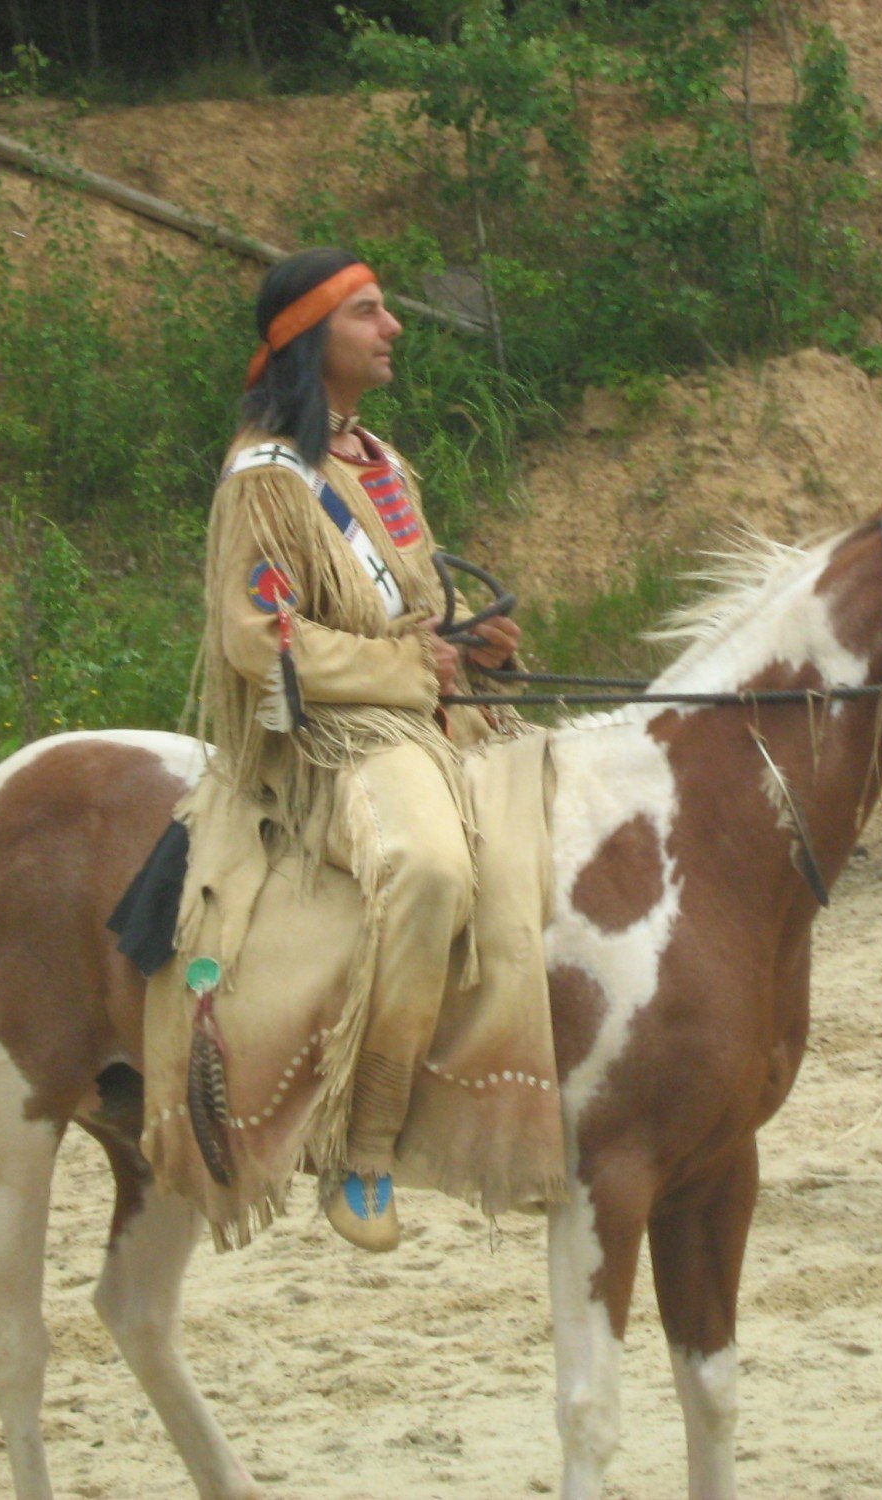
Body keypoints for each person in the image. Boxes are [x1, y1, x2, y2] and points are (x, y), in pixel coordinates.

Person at [196, 247, 521, 1251]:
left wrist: (472, 643)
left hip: (429, 714)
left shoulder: (378, 461)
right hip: (335, 738)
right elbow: (258, 639)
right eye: (370, 313)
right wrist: (409, 669)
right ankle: (364, 1143)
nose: (394, 328)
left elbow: (416, 605)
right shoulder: (266, 477)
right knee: (423, 868)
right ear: (308, 340)